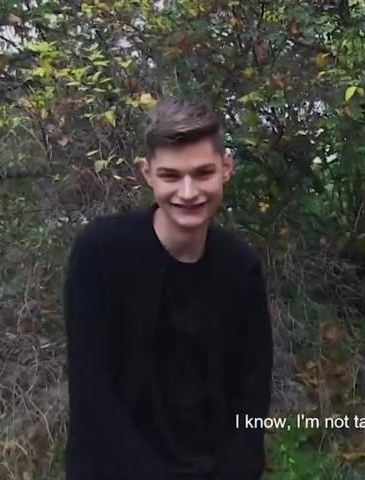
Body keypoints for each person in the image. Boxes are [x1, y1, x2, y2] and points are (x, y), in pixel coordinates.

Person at [63, 98, 273, 479]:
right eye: (171, 176)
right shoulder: (101, 253)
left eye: (203, 173)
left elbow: (251, 395)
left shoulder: (240, 267)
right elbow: (92, 393)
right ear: (148, 173)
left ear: (226, 167)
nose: (188, 192)